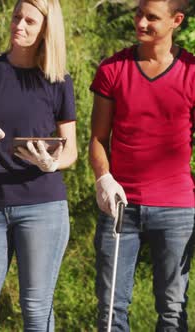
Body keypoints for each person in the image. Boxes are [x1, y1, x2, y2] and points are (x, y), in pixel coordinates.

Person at [0, 0, 77, 331]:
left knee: (36, 311)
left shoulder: (58, 80)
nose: (18, 26)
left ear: (45, 30)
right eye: (16, 18)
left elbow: (72, 152)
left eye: (29, 21)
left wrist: (51, 163)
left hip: (43, 206)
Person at [89, 0, 194, 330]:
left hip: (177, 208)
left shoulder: (192, 72)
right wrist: (103, 177)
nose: (141, 22)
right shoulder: (112, 69)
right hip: (121, 206)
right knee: (110, 307)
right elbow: (97, 139)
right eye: (139, 13)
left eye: (152, 17)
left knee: (173, 308)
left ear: (176, 20)